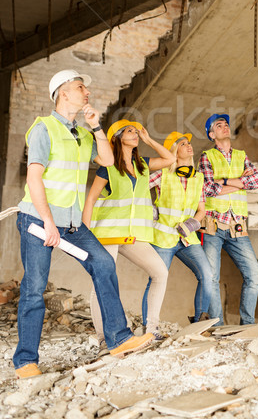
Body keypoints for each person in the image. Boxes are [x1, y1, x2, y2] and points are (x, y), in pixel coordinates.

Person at [14, 69, 154, 379]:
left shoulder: (81, 133)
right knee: (35, 288)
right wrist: (48, 222)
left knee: (103, 264)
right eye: (80, 87)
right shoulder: (44, 129)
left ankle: (120, 339)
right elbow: (34, 178)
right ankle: (25, 361)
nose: (86, 93)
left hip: (73, 223)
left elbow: (106, 160)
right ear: (63, 93)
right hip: (39, 220)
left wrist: (97, 127)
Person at [82, 119, 175, 346]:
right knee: (103, 282)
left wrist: (149, 139)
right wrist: (85, 236)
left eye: (136, 131)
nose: (135, 134)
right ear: (118, 137)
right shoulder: (108, 166)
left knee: (160, 273)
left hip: (134, 235)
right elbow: (91, 199)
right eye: (130, 131)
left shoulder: (143, 164)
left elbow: (170, 159)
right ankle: (105, 338)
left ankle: (151, 329)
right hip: (107, 234)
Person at [142, 131, 212, 325]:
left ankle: (201, 323)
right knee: (156, 280)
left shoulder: (198, 178)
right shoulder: (162, 174)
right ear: (174, 150)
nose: (188, 146)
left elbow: (201, 209)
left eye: (189, 143)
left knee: (207, 275)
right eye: (182, 144)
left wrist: (192, 224)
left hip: (187, 238)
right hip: (164, 239)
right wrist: (150, 209)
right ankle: (149, 326)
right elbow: (137, 189)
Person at [197, 113, 258, 326]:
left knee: (254, 274)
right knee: (212, 278)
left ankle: (247, 323)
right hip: (213, 225)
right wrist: (239, 182)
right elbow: (207, 188)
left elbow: (254, 182)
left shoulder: (241, 155)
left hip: (237, 226)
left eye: (226, 124)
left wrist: (224, 180)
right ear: (212, 134)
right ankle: (217, 326)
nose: (225, 126)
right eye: (219, 125)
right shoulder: (207, 156)